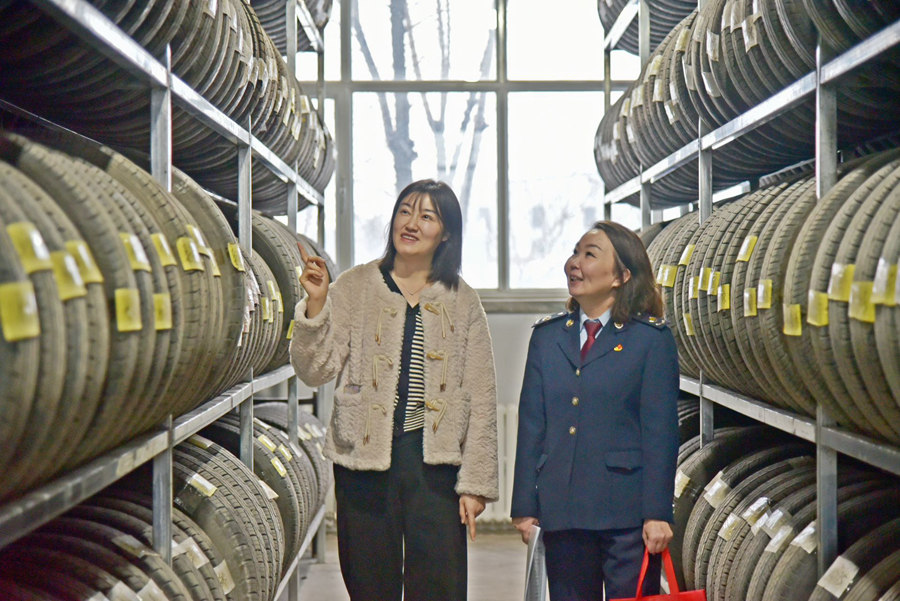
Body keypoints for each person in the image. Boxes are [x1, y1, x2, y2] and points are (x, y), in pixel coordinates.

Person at [289, 179, 499, 601]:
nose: (411, 223)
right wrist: (316, 305)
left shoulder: (462, 299)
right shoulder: (355, 285)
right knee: (369, 582)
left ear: (446, 233)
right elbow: (315, 370)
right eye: (405, 211)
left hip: (435, 465)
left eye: (426, 216)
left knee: (440, 585)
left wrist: (475, 484)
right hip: (363, 463)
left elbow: (481, 395)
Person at [510, 220, 680, 601]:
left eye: (590, 255)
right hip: (562, 513)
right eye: (575, 253)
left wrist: (658, 513)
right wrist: (524, 505)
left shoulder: (650, 340)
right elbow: (531, 426)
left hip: (627, 517)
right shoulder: (546, 338)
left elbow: (661, 434)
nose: (575, 263)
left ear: (621, 276)